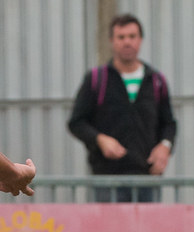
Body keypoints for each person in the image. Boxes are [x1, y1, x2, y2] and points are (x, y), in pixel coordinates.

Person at [67, 13, 177, 202]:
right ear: (112, 41)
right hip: (107, 180)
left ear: (140, 40)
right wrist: (99, 139)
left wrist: (165, 146)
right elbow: (76, 122)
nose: (127, 42)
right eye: (121, 37)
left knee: (147, 231)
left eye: (132, 36)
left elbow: (169, 123)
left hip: (147, 179)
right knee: (108, 231)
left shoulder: (156, 81)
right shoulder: (96, 79)